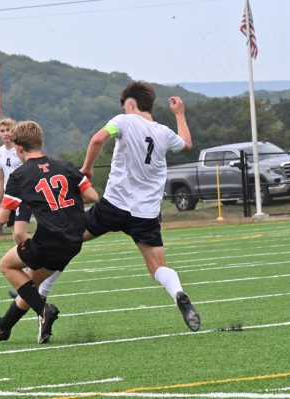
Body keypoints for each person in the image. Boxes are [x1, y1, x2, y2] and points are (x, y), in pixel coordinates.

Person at [80, 81, 201, 332]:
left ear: (131, 103)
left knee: (69, 236)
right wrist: (180, 114)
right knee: (158, 267)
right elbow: (187, 144)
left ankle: (32, 288)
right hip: (145, 214)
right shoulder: (163, 132)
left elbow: (97, 139)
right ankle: (178, 293)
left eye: (125, 106)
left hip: (114, 205)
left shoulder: (124, 121)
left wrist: (88, 168)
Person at [0, 120, 99, 343]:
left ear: (19, 148)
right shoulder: (65, 166)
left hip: (49, 241)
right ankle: (3, 328)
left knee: (6, 265)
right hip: (74, 240)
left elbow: (2, 219)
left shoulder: (19, 176)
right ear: (41, 142)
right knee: (29, 286)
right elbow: (93, 197)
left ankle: (45, 310)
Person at [0, 118, 62, 299]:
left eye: (8, 129)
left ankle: (33, 274)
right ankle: (30, 275)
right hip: (11, 197)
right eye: (2, 130)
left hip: (25, 195)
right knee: (17, 236)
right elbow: (0, 179)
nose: (5, 133)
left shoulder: (20, 150)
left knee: (19, 234)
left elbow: (31, 170)